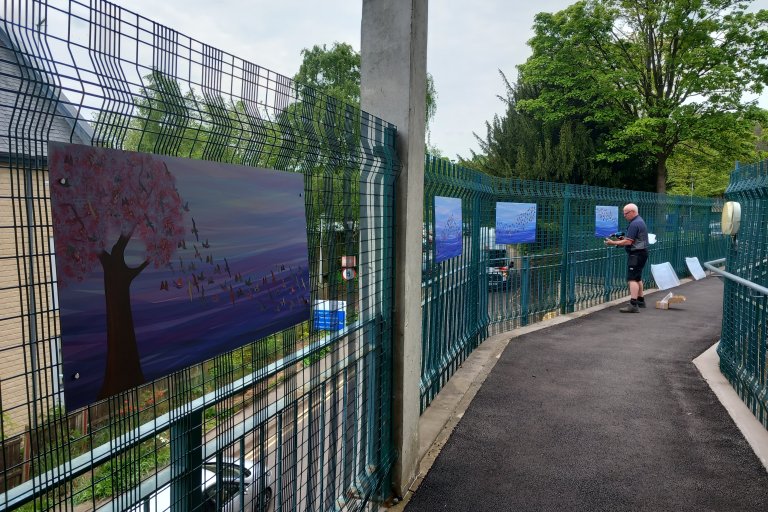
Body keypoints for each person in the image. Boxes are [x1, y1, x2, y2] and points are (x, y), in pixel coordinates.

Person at [604, 203, 649, 313]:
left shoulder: (634, 223)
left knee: (632, 279)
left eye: (626, 213)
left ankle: (633, 305)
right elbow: (632, 239)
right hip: (642, 252)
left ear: (633, 212)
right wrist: (622, 239)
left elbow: (628, 242)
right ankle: (640, 300)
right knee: (637, 277)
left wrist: (613, 242)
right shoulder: (639, 221)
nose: (624, 215)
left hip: (636, 254)